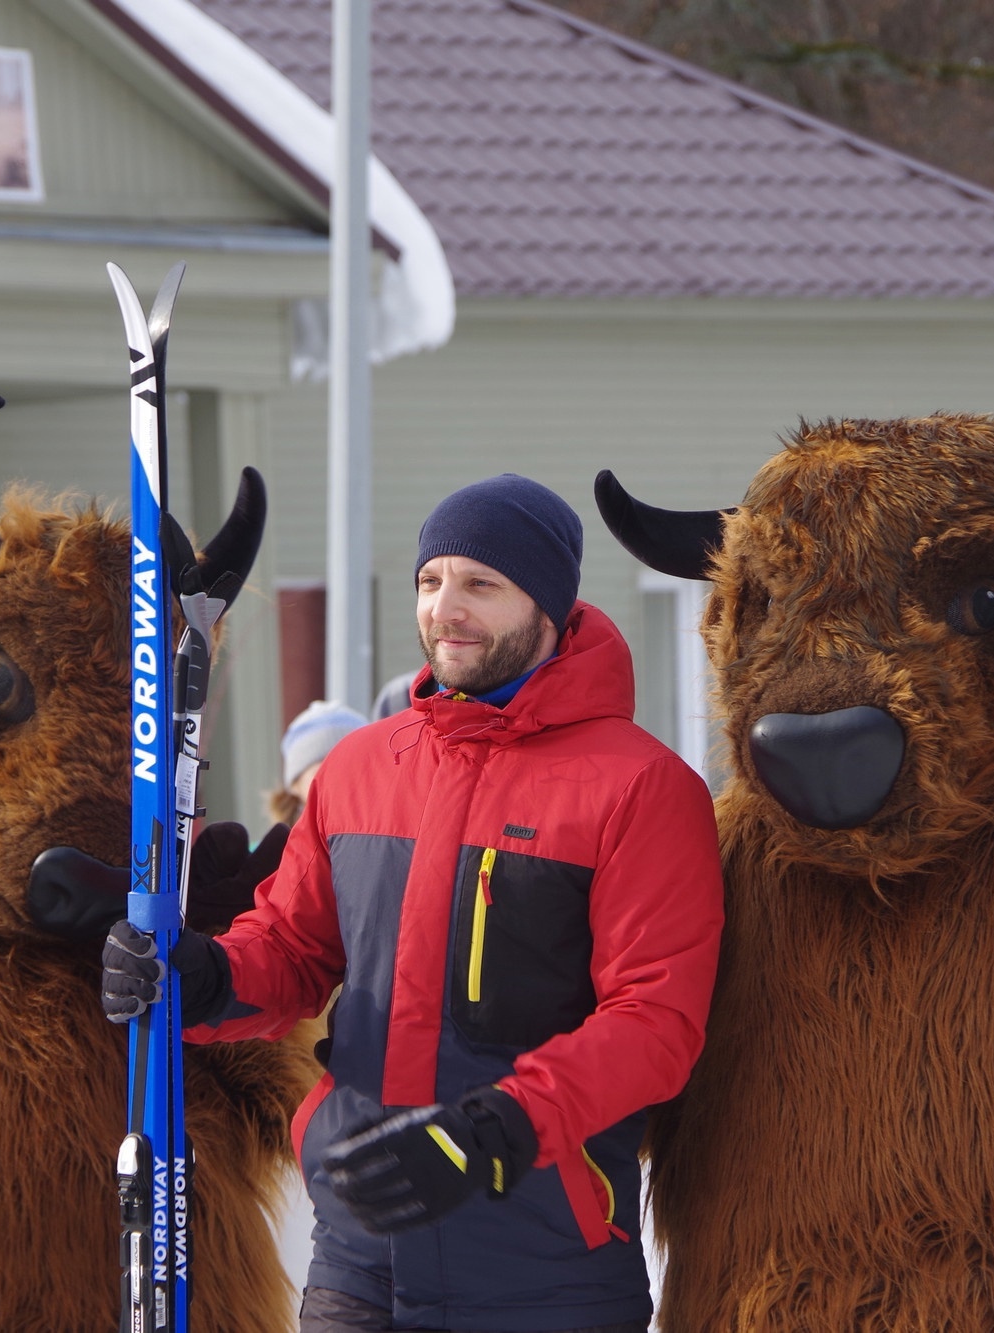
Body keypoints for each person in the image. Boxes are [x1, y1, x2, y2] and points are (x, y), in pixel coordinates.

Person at [104, 474, 724, 1332]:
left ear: (549, 606)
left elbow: (656, 1021)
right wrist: (204, 980)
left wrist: (498, 1127)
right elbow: (292, 948)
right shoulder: (362, 768)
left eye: (481, 584)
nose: (446, 608)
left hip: (545, 1275)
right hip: (359, 1261)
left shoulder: (642, 788)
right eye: (432, 582)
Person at [271, 699, 369, 825]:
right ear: (295, 784)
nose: (340, 784)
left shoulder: (389, 837)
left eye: (352, 771)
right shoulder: (276, 845)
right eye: (323, 774)